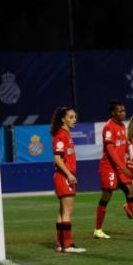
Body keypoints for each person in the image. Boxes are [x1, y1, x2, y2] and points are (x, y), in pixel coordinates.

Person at [93, 100, 133, 239]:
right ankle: (98, 230)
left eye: (124, 111)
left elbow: (122, 150)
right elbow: (110, 151)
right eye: (120, 111)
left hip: (121, 168)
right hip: (109, 168)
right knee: (106, 197)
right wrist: (123, 167)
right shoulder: (108, 127)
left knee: (131, 193)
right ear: (113, 113)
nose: (123, 113)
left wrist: (125, 164)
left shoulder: (123, 126)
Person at [52, 106, 85, 253]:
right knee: (67, 210)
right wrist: (69, 174)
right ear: (63, 119)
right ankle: (68, 244)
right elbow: (57, 159)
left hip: (63, 176)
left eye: (75, 117)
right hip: (64, 176)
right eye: (71, 117)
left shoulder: (66, 134)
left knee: (62, 211)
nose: (74, 120)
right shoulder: (61, 135)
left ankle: (60, 244)